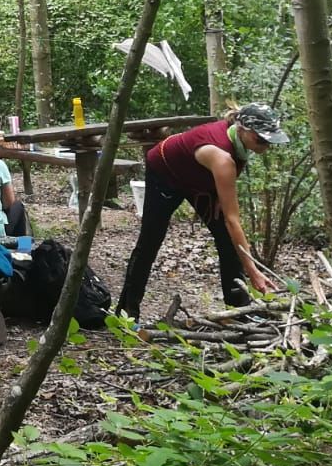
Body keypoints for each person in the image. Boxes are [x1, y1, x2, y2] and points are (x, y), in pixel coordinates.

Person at [115, 104, 287, 321]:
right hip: (165, 172)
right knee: (150, 241)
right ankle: (126, 314)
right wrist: (253, 272)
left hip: (197, 178)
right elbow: (233, 220)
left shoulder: (239, 141)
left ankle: (238, 311)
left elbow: (228, 210)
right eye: (261, 139)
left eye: (269, 140)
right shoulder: (221, 156)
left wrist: (216, 194)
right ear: (242, 128)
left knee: (227, 239)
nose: (266, 146)